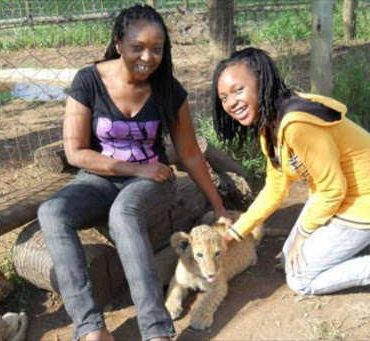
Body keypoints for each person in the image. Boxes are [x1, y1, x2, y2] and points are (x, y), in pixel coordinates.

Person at [38, 5, 230, 341]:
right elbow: (75, 152)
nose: (148, 57)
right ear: (118, 43)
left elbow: (189, 153)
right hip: (101, 178)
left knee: (123, 214)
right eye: (137, 47)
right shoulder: (88, 81)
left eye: (156, 49)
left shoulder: (169, 90)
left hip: (152, 182)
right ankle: (91, 328)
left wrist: (219, 208)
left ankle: (156, 330)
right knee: (51, 212)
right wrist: (133, 167)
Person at [211, 47, 370, 299]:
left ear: (261, 83)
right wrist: (234, 234)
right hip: (345, 194)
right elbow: (276, 187)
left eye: (238, 90)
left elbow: (332, 188)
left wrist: (303, 235)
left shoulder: (296, 124)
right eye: (224, 97)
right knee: (288, 259)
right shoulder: (270, 126)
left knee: (300, 279)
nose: (230, 103)